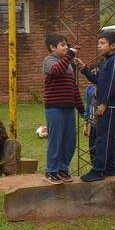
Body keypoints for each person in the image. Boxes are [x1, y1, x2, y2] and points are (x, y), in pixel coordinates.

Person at [76, 31, 115, 182]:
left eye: (102, 43)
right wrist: (84, 69)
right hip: (106, 106)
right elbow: (98, 81)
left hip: (109, 107)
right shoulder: (106, 62)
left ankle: (98, 171)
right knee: (107, 137)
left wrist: (104, 103)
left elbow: (111, 85)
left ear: (113, 45)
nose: (99, 46)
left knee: (102, 138)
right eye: (99, 43)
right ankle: (112, 168)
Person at [42, 33, 85, 184]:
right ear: (52, 47)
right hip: (55, 108)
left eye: (67, 45)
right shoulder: (49, 61)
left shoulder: (69, 65)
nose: (66, 47)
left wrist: (81, 108)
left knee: (69, 141)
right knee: (56, 140)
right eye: (62, 45)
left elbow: (74, 89)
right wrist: (71, 54)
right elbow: (57, 70)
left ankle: (62, 169)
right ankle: (51, 171)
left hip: (69, 108)